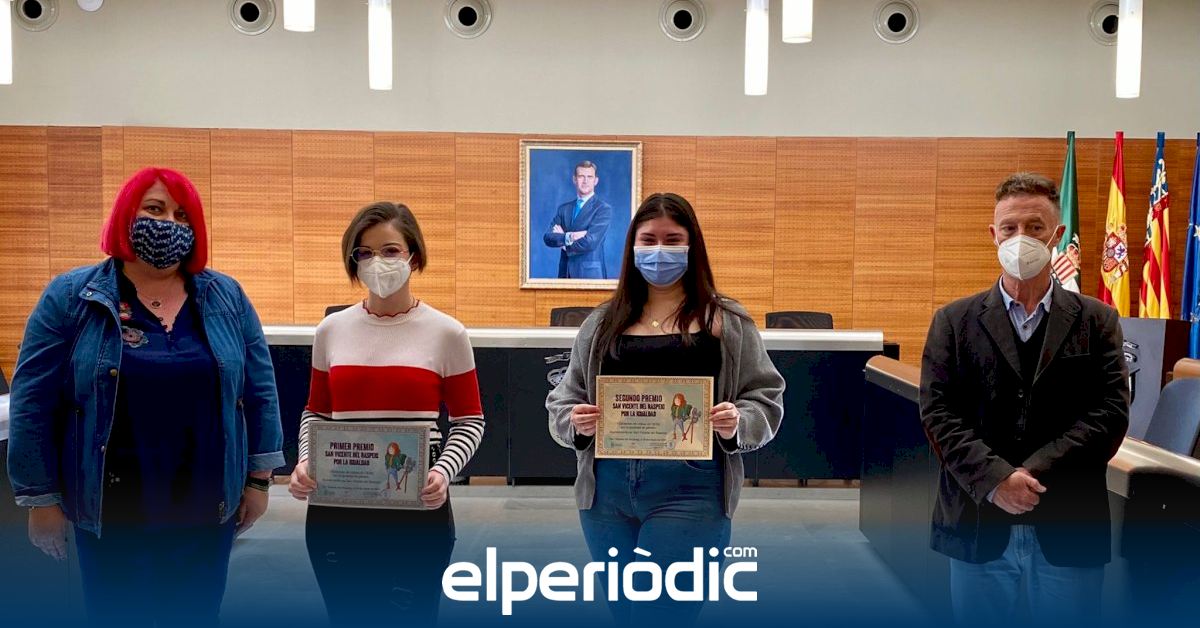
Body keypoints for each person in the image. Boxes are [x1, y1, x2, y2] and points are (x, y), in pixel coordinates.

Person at [6, 166, 284, 626]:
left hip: (206, 507)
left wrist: (258, 481)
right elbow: (32, 403)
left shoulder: (227, 296)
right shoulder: (71, 296)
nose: (169, 223)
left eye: (182, 215)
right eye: (154, 209)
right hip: (109, 509)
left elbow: (260, 391)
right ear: (125, 216)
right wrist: (41, 500)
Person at [546, 192, 785, 624]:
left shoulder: (726, 321)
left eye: (673, 240)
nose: (660, 250)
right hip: (606, 494)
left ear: (692, 245)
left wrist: (738, 422)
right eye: (649, 240)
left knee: (661, 615)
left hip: (692, 490)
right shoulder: (602, 322)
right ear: (632, 246)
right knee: (625, 614)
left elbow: (765, 396)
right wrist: (574, 422)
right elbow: (564, 398)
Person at [920, 173, 1129, 626]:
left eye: (1035, 227)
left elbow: (1110, 413)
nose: (1021, 238)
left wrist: (1029, 476)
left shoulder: (1098, 321)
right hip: (978, 520)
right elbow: (938, 413)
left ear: (1057, 235)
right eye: (1009, 227)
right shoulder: (953, 321)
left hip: (1068, 521)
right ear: (993, 235)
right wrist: (997, 480)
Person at [287, 201, 486, 627]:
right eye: (365, 252)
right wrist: (306, 460)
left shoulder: (447, 333)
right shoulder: (331, 330)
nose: (378, 261)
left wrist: (443, 472)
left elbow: (470, 420)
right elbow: (316, 413)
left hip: (415, 508)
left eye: (390, 250)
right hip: (337, 511)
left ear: (413, 255)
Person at [542, 160, 614, 279]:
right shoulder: (564, 209)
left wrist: (564, 243)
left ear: (596, 181)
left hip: (590, 276)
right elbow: (548, 237)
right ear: (574, 179)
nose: (585, 181)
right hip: (565, 274)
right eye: (581, 176)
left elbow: (590, 242)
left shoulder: (603, 209)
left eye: (589, 177)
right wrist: (570, 237)